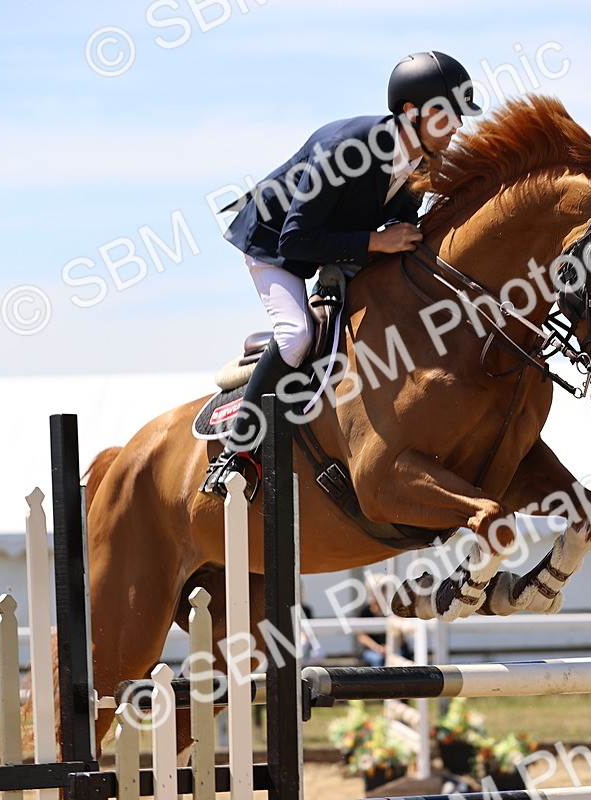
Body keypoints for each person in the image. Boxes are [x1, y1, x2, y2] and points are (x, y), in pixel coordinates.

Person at [201, 51, 482, 495]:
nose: (458, 127)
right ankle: (237, 452)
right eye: (447, 115)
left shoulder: (424, 162)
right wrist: (376, 242)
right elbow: (295, 240)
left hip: (333, 249)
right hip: (274, 246)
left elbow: (398, 230)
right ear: (411, 113)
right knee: (295, 335)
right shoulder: (345, 151)